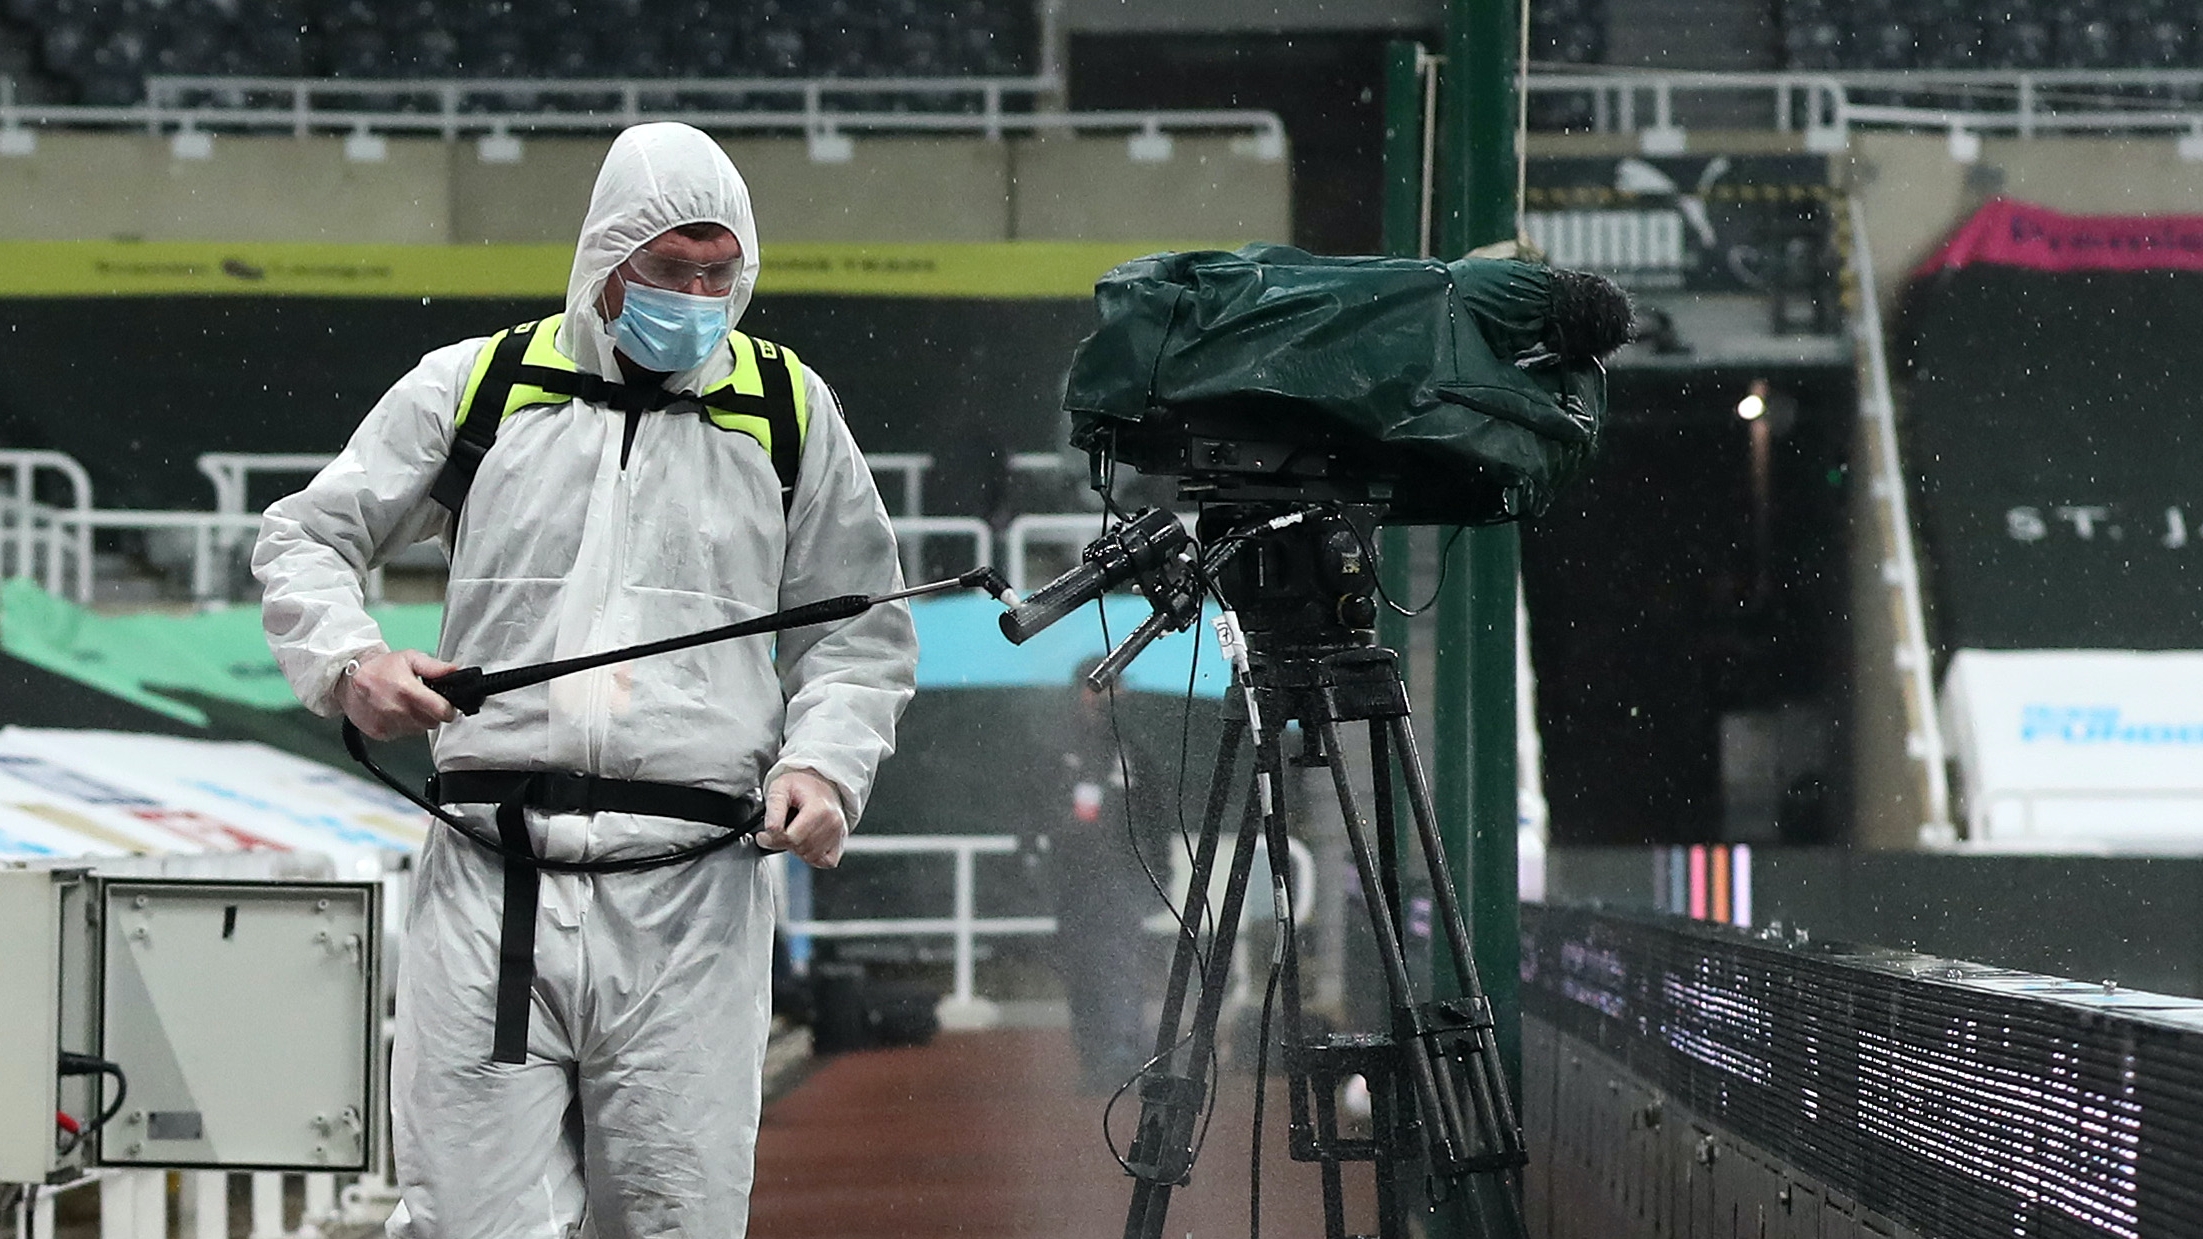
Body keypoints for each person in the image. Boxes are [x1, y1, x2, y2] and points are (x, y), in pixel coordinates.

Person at [254, 122, 917, 1238]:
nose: (699, 296)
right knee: (469, 1219)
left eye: (721, 273)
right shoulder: (478, 386)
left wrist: (826, 767)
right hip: (491, 877)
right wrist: (350, 662)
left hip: (694, 893)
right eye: (670, 269)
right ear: (607, 257)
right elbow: (305, 535)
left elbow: (859, 630)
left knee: (675, 1219)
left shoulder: (787, 411)